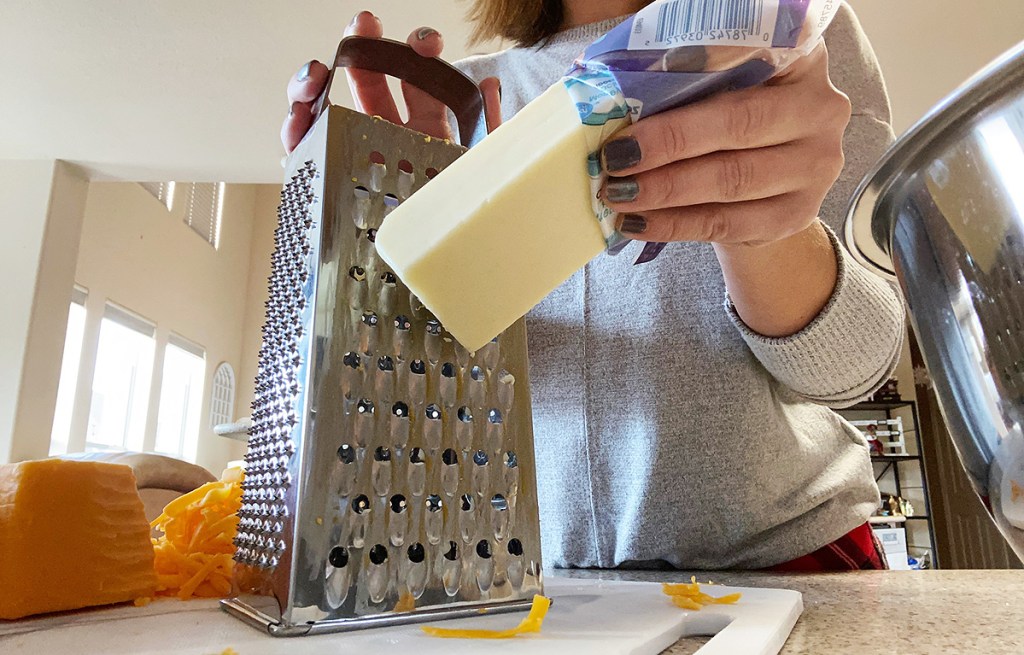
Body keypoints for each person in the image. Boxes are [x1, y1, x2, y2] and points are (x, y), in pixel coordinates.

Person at [282, 0, 905, 571]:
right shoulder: (456, 99)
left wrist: (763, 226)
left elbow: (857, 366)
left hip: (795, 564)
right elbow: (407, 414)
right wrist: (396, 285)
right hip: (536, 587)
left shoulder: (784, 35)